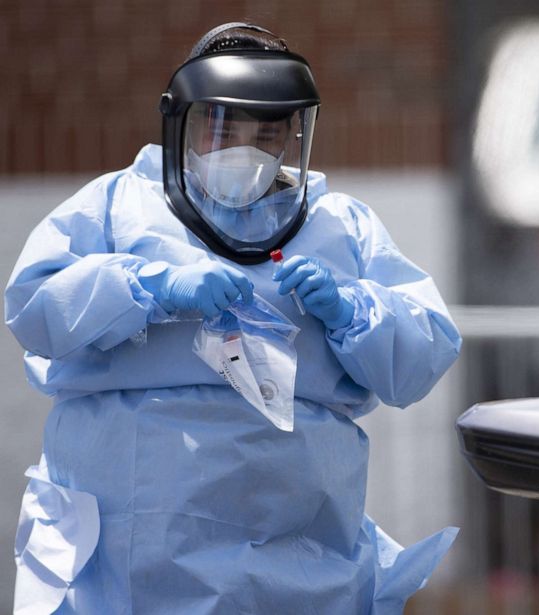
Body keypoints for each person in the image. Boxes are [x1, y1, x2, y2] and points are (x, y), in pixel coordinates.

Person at [6, 23, 461, 614]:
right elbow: (35, 311)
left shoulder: (339, 225)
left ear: (296, 133)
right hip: (134, 556)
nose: (244, 146)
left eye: (268, 130)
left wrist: (354, 309)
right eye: (223, 127)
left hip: (299, 554)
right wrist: (149, 286)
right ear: (182, 125)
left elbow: (421, 357)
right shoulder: (117, 205)